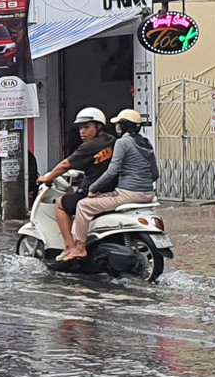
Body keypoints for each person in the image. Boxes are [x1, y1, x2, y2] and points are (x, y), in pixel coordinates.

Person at [66, 109, 159, 262]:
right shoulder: (146, 143)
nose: (117, 128)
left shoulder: (122, 142)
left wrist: (93, 188)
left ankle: (80, 248)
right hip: (148, 194)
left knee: (83, 205)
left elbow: (112, 170)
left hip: (128, 193)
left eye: (118, 125)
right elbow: (155, 173)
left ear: (122, 127)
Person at [37, 108, 114, 254]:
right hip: (111, 191)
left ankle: (70, 247)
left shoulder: (89, 146)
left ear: (98, 127)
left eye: (87, 127)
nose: (82, 132)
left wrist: (48, 178)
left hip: (92, 193)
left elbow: (66, 165)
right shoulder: (111, 141)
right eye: (80, 128)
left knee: (61, 204)